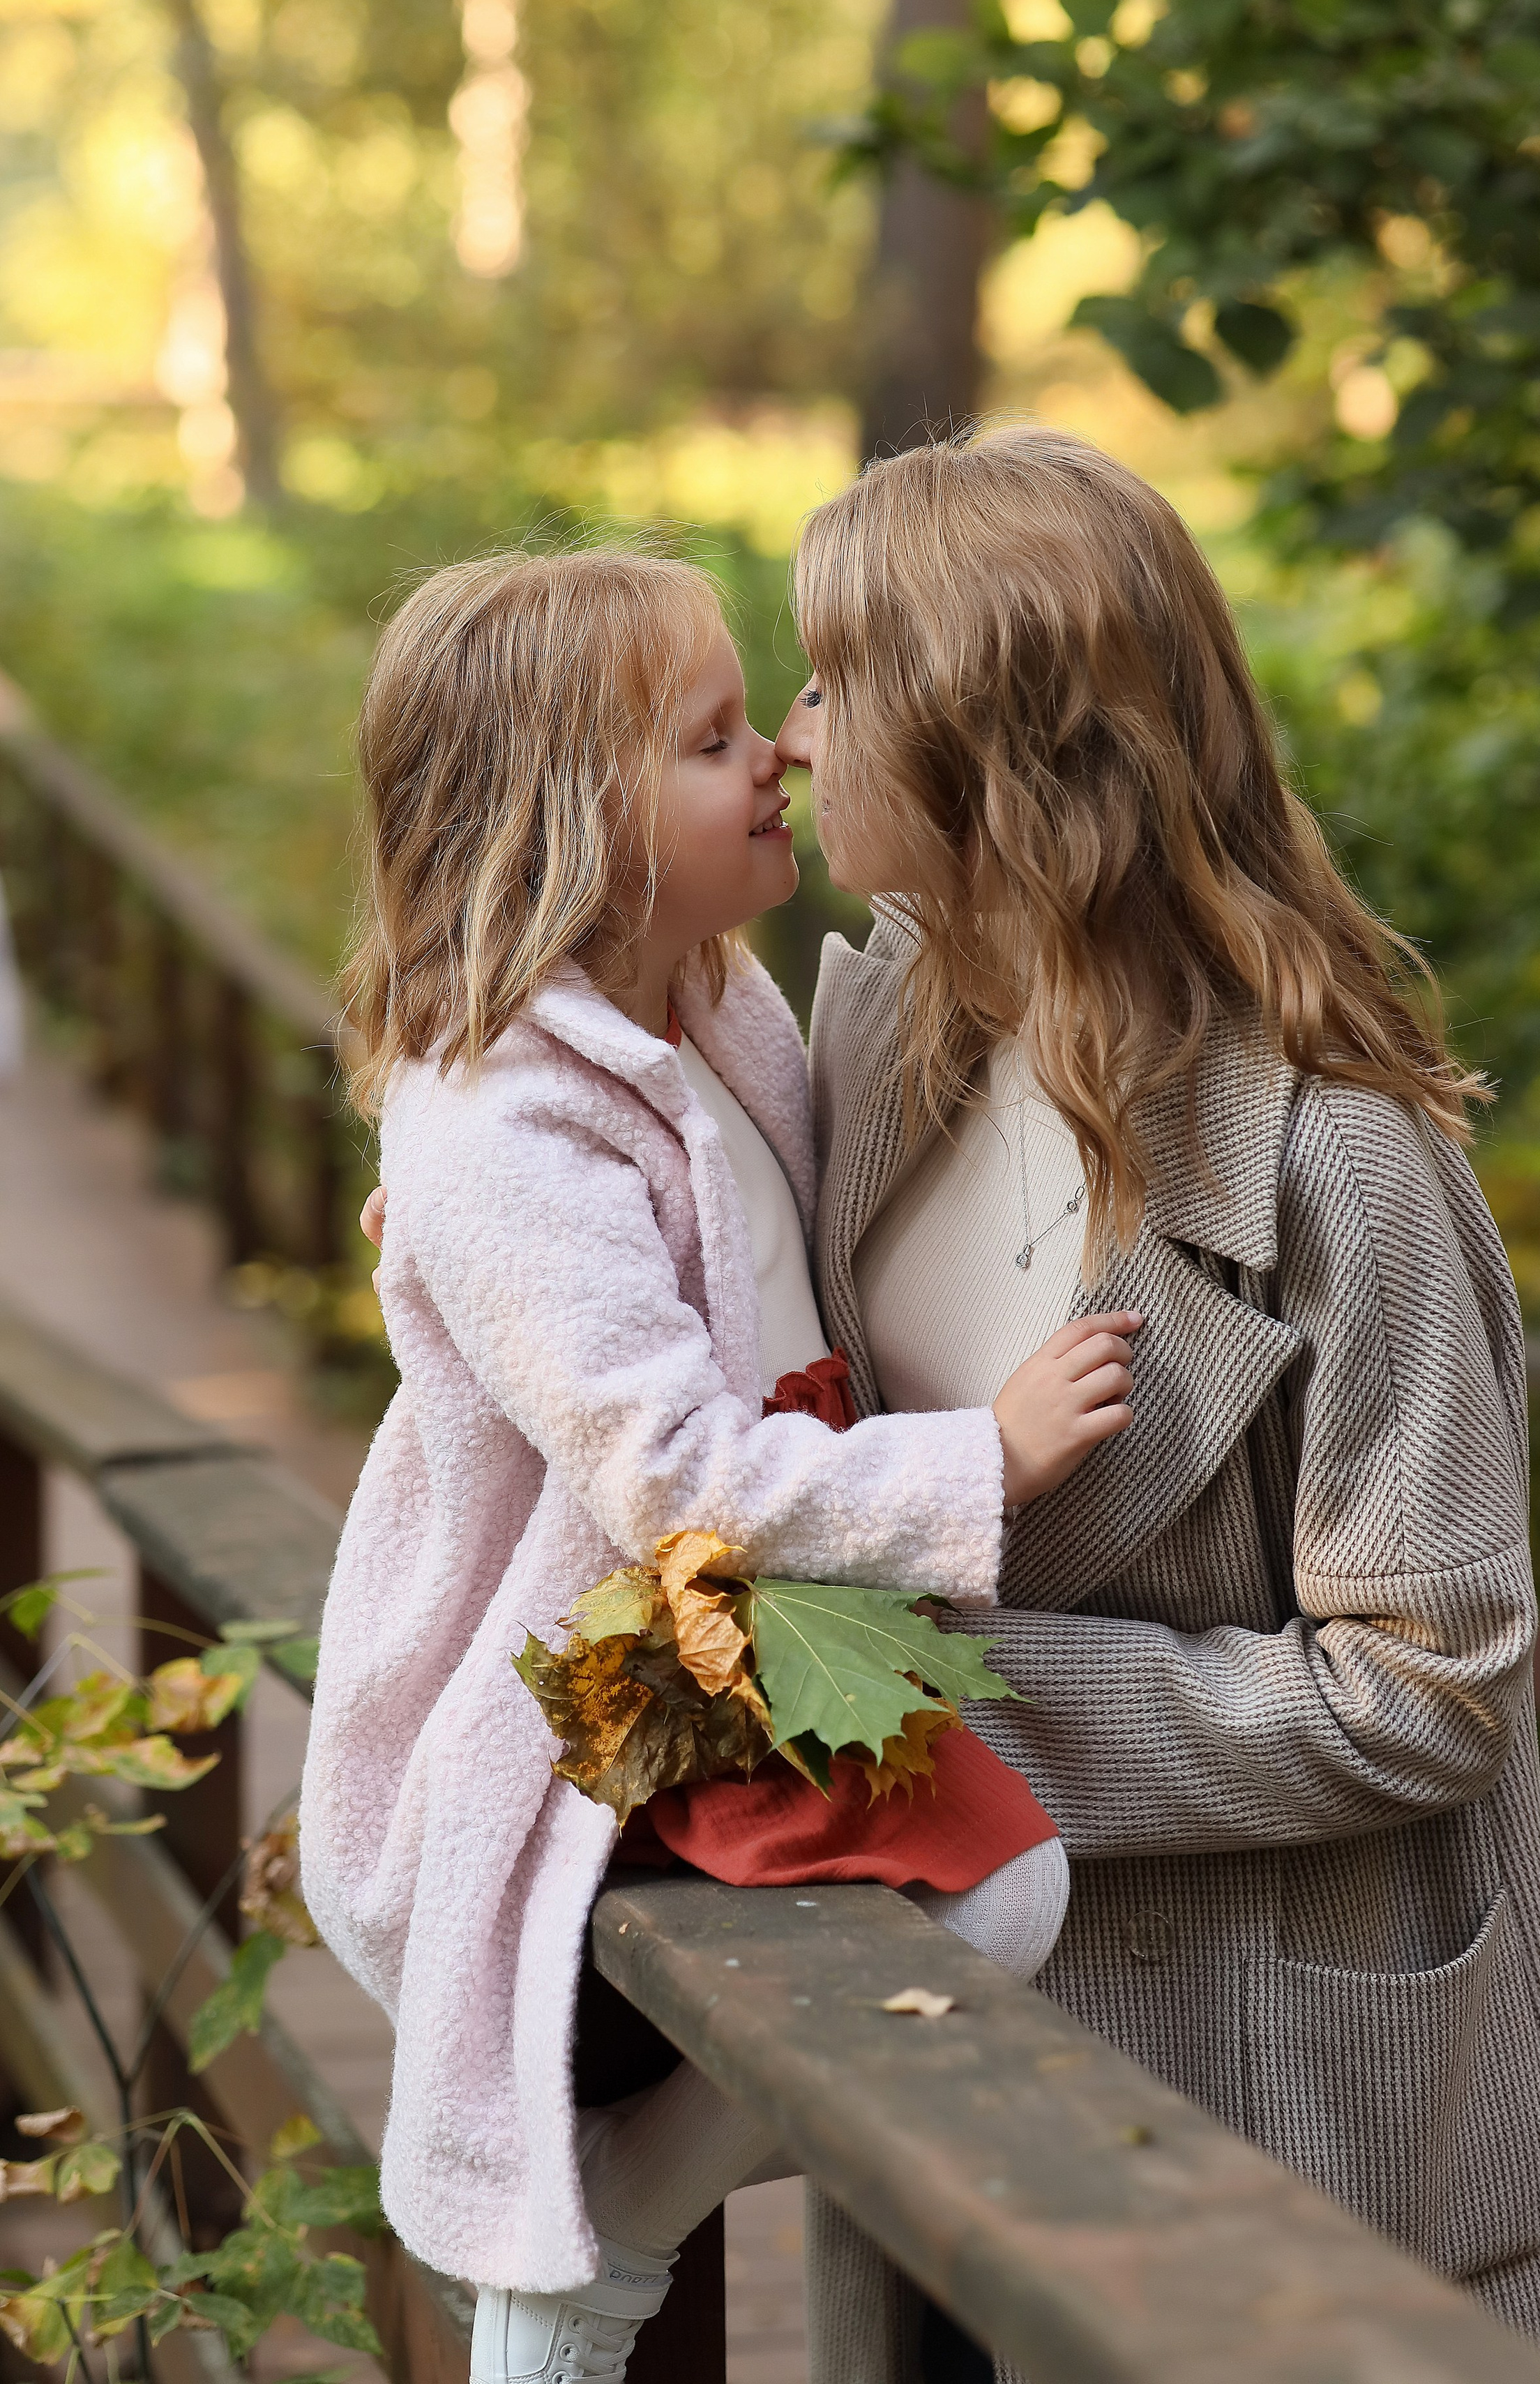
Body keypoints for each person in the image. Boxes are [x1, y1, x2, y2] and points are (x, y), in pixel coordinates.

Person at [773, 423, 1540, 2380]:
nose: (792, 732)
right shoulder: (878, 1031)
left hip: (1251, 2069)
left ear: (989, 744)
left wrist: (936, 1711)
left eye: (834, 683)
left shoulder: (1339, 1162)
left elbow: (1431, 1686)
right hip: (932, 2048)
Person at [299, 547, 1142, 2384]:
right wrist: (982, 1463)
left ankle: (611, 2221)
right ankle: (608, 2233)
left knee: (993, 1895)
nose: (774, 756)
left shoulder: (717, 1006)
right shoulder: (498, 1112)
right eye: (710, 738)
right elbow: (675, 1474)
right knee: (998, 1897)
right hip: (598, 1686)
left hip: (741, 1626)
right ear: (571, 825)